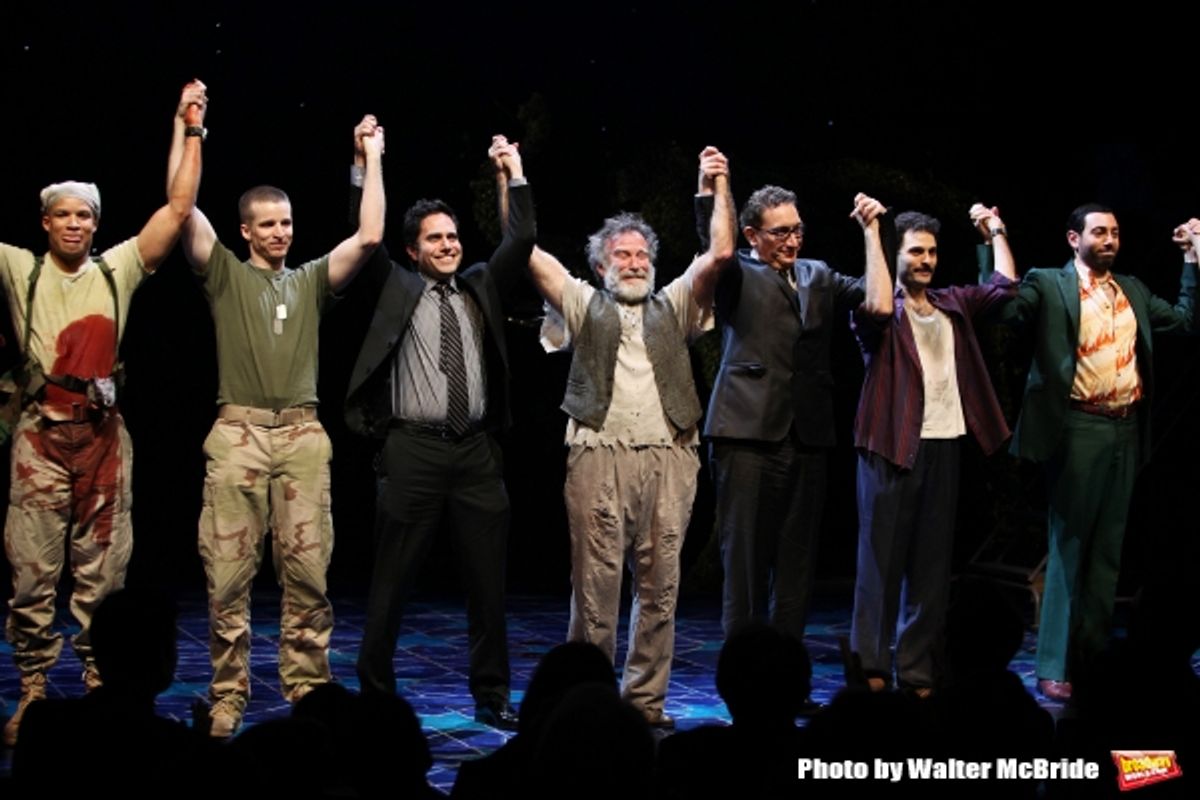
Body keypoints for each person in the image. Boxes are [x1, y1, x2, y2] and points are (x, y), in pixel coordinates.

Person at [0, 80, 206, 747]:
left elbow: (177, 208)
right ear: (45, 222)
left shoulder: (116, 269)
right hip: (39, 441)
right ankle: (33, 689)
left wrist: (189, 127)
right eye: (64, 215)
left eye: (85, 216)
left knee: (102, 577)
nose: (75, 225)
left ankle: (100, 689)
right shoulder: (21, 271)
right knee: (32, 576)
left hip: (103, 443)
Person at [170, 112, 386, 737]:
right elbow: (182, 206)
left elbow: (370, 236)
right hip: (237, 436)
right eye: (267, 225)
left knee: (308, 578)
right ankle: (228, 696)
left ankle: (308, 696)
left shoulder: (313, 279)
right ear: (246, 230)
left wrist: (370, 155)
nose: (280, 233)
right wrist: (192, 131)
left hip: (300, 438)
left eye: (287, 223)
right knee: (228, 578)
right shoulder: (226, 276)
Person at [529, 146, 735, 727]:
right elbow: (528, 252)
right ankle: (588, 701)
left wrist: (711, 187)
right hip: (598, 453)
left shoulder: (673, 304)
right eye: (623, 254)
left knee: (661, 587)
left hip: (671, 454)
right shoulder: (581, 301)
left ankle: (645, 701)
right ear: (602, 266)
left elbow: (719, 252)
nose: (636, 261)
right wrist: (512, 178)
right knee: (595, 589)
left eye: (643, 253)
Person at [345, 135, 535, 730]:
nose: (449, 245)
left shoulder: (479, 283)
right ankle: (376, 693)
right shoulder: (394, 284)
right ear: (413, 249)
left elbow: (521, 239)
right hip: (413, 450)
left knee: (488, 585)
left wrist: (513, 171)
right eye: (435, 238)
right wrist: (366, 163)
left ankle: (492, 694)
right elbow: (365, 235)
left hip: (476, 452)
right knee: (392, 582)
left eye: (453, 236)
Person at [1001, 204, 1200, 701]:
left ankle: (1089, 660)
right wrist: (993, 241)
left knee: (1108, 552)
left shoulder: (1130, 289)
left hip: (1125, 428)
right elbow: (1006, 311)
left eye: (1115, 232)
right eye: (1099, 232)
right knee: (1069, 548)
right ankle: (1053, 665)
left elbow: (1184, 321)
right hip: (1077, 426)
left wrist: (1193, 259)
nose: (1110, 239)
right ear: (1074, 238)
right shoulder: (1049, 282)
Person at [850, 200, 1016, 695]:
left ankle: (917, 668)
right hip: (888, 446)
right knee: (879, 563)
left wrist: (994, 229)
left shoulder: (953, 303)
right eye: (916, 251)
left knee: (930, 567)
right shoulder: (882, 309)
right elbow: (878, 304)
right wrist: (872, 231)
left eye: (932, 252)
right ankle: (873, 667)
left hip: (944, 444)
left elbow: (1007, 286)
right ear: (898, 256)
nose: (926, 260)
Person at [696, 183, 865, 644]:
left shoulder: (818, 274)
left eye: (798, 230)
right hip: (746, 432)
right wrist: (716, 188)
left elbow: (879, 302)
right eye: (780, 232)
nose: (792, 241)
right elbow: (718, 248)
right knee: (745, 560)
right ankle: (745, 673)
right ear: (753, 235)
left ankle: (785, 674)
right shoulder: (737, 273)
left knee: (797, 562)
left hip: (807, 434)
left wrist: (874, 232)